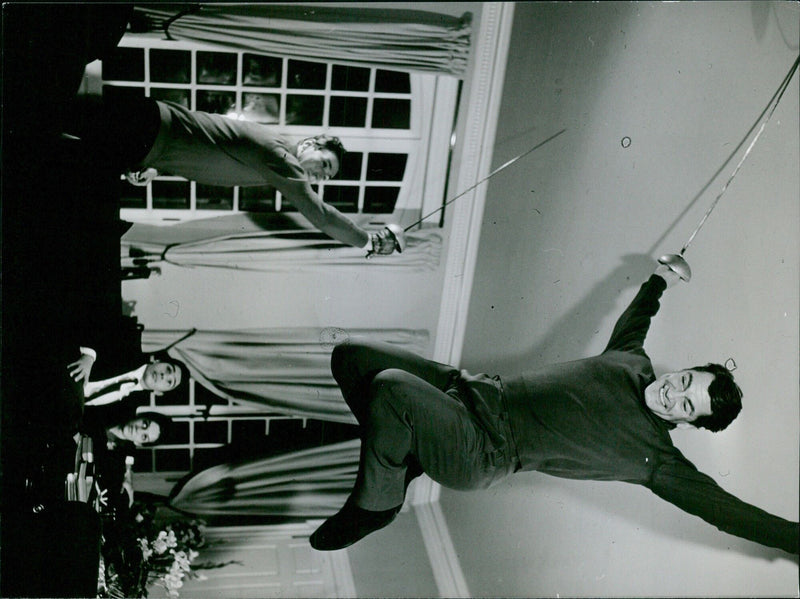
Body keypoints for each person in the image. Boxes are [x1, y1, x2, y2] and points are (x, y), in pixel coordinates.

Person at [309, 258, 799, 555]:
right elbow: (638, 316)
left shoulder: (657, 460)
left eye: (686, 404)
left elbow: (728, 512)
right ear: (684, 368)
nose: (674, 391)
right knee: (352, 358)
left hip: (484, 450)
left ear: (687, 423)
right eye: (685, 380)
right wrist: (661, 280)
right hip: (470, 390)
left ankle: (377, 504)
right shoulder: (631, 360)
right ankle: (406, 453)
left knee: (392, 389)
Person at [63, 95, 404, 256]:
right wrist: (368, 240)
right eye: (325, 164)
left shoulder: (276, 159)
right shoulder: (282, 158)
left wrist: (157, 167)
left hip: (148, 135)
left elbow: (208, 150)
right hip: (144, 129)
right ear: (312, 144)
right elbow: (320, 213)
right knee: (47, 122)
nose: (321, 176)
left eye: (327, 177)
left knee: (54, 136)